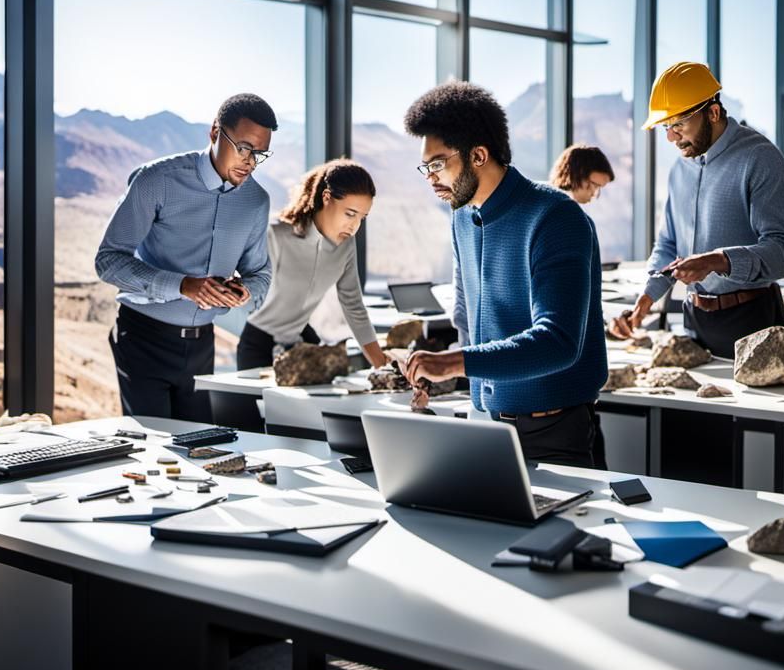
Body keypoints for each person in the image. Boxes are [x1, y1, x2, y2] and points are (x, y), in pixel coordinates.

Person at [399, 81, 607, 468]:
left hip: (554, 433)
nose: (430, 176)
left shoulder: (556, 217)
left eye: (438, 163)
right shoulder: (462, 216)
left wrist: (454, 362)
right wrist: (447, 373)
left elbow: (558, 342)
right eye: (425, 165)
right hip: (487, 423)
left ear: (478, 154)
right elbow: (466, 313)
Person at [95, 93, 276, 419]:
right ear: (215, 132)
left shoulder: (256, 202)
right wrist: (182, 285)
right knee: (152, 450)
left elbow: (260, 274)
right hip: (143, 339)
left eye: (259, 154)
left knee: (196, 449)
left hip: (202, 345)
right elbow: (108, 260)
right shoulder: (157, 180)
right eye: (244, 148)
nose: (250, 161)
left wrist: (244, 291)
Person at [609, 62, 784, 359]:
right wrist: (646, 298)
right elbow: (668, 245)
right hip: (694, 319)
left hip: (753, 321)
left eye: (679, 124)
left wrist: (718, 261)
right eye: (666, 126)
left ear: (713, 113)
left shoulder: (760, 157)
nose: (671, 137)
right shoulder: (680, 169)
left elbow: (779, 254)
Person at [237, 159, 389, 371]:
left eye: (362, 218)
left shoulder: (346, 245)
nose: (354, 226)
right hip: (259, 345)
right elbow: (249, 291)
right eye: (350, 214)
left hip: (304, 343)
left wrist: (381, 364)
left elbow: (353, 305)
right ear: (326, 197)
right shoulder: (276, 234)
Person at [549, 144, 614, 205]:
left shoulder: (549, 200)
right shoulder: (562, 209)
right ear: (577, 175)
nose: (594, 194)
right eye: (595, 185)